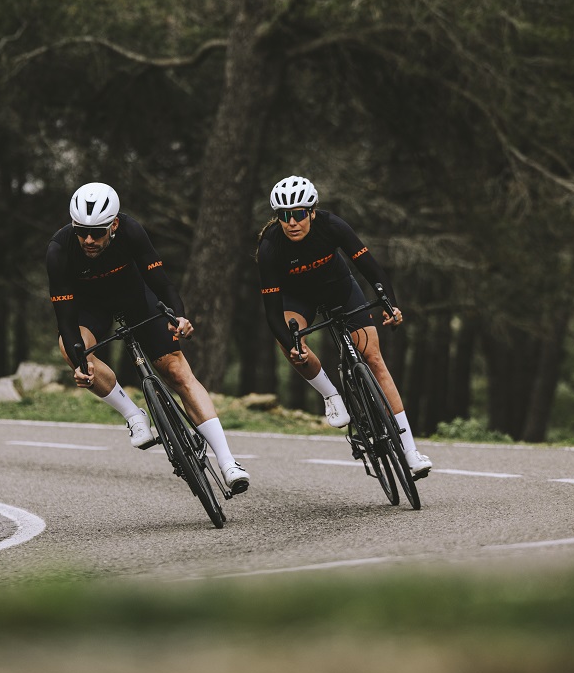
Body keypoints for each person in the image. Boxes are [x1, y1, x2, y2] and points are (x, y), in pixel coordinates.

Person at [46, 181, 250, 493]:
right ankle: (133, 414)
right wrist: (79, 363)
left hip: (135, 298)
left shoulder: (131, 231)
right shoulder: (59, 250)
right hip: (89, 309)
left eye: (98, 232)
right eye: (81, 231)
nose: (88, 239)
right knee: (70, 347)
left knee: (177, 371)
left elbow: (162, 283)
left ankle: (228, 462)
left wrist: (178, 316)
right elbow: (66, 317)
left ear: (114, 225)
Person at [255, 175, 432, 477]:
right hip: (299, 298)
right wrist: (293, 346)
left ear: (311, 212)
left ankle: (410, 451)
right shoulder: (270, 246)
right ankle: (330, 396)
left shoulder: (332, 225)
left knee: (373, 359)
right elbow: (272, 313)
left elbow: (370, 267)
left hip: (340, 288)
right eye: (284, 216)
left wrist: (390, 304)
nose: (292, 222)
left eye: (298, 214)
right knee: (288, 341)